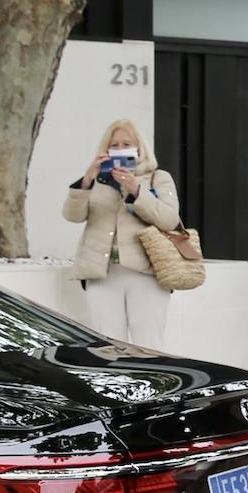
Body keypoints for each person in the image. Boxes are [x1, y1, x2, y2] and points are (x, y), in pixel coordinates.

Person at [62, 119, 181, 351]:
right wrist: (87, 179)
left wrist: (136, 190)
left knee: (149, 346)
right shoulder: (96, 180)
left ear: (139, 147)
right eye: (114, 145)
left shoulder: (157, 178)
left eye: (126, 143)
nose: (119, 149)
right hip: (102, 273)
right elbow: (72, 215)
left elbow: (169, 219)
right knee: (108, 348)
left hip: (146, 272)